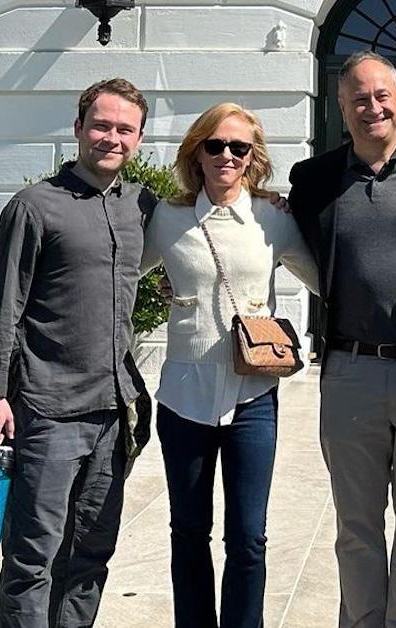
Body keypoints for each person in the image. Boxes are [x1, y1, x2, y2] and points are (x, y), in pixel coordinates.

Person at [0, 78, 155, 628]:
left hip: (114, 415)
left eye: (125, 129)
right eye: (101, 125)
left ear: (139, 138)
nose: (111, 137)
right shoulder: (33, 207)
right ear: (78, 129)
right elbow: (2, 303)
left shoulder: (140, 206)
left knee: (90, 556)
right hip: (48, 409)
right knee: (33, 558)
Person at [287, 50, 396, 628]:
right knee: (355, 527)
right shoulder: (313, 180)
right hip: (350, 373)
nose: (373, 108)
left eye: (382, 95)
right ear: (341, 108)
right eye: (359, 98)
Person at [140, 102, 318, 627]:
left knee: (248, 538)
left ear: (252, 156)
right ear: (196, 151)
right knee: (188, 532)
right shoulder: (168, 218)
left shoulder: (272, 218)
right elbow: (120, 274)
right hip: (183, 399)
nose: (226, 155)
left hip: (253, 398)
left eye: (238, 147)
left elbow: (326, 278)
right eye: (215, 145)